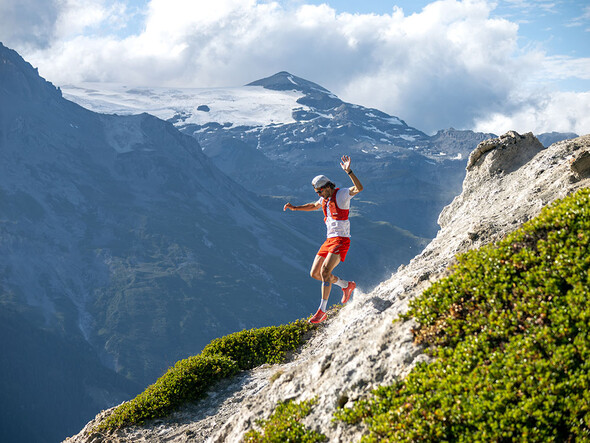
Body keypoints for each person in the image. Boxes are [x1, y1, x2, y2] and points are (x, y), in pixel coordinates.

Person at [283, 155, 364, 323]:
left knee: (325, 272)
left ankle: (322, 310)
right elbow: (313, 206)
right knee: (315, 274)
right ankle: (346, 285)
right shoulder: (324, 199)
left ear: (328, 186)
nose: (319, 194)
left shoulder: (342, 194)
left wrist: (349, 171)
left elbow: (359, 188)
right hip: (328, 240)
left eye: (320, 191)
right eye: (317, 192)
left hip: (341, 239)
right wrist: (295, 208)